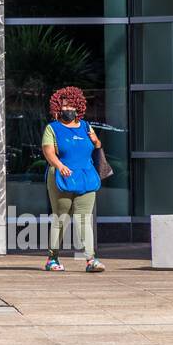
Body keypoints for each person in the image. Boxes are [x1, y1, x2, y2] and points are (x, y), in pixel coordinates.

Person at [41, 86, 104, 273]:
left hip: (85, 177)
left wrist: (96, 140)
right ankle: (52, 258)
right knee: (61, 218)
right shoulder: (52, 128)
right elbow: (48, 152)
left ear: (78, 106)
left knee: (84, 218)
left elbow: (97, 147)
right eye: (64, 107)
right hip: (62, 177)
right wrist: (60, 166)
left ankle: (91, 259)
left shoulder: (86, 126)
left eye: (71, 106)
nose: (67, 110)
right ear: (57, 108)